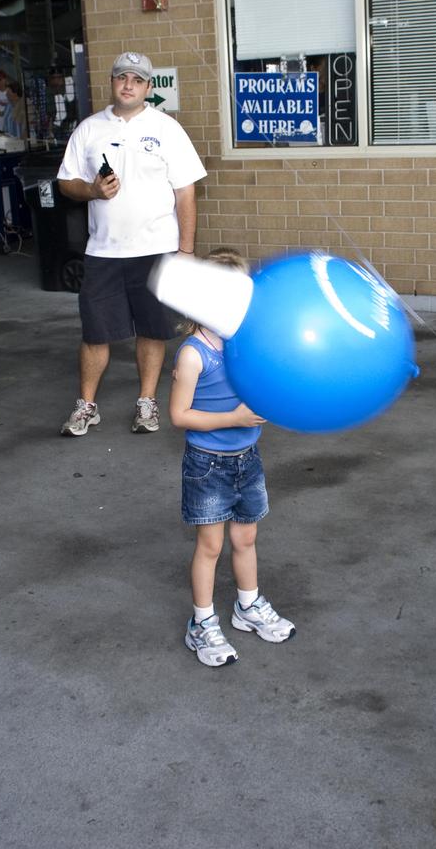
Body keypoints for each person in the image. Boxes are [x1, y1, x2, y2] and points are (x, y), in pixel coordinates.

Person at [55, 51, 206, 437]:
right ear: (112, 82)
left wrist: (185, 252)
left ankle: (146, 403)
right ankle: (87, 405)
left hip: (156, 248)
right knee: (94, 332)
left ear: (148, 88)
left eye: (137, 80)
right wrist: (91, 190)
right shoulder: (88, 130)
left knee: (152, 330)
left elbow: (186, 193)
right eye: (122, 77)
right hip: (103, 251)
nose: (128, 85)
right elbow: (66, 182)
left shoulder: (168, 129)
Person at [170, 248, 295, 667]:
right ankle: (201, 623)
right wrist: (234, 416)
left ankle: (248, 606)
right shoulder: (193, 353)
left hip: (248, 457)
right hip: (207, 465)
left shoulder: (248, 345)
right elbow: (178, 415)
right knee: (210, 545)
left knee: (246, 538)